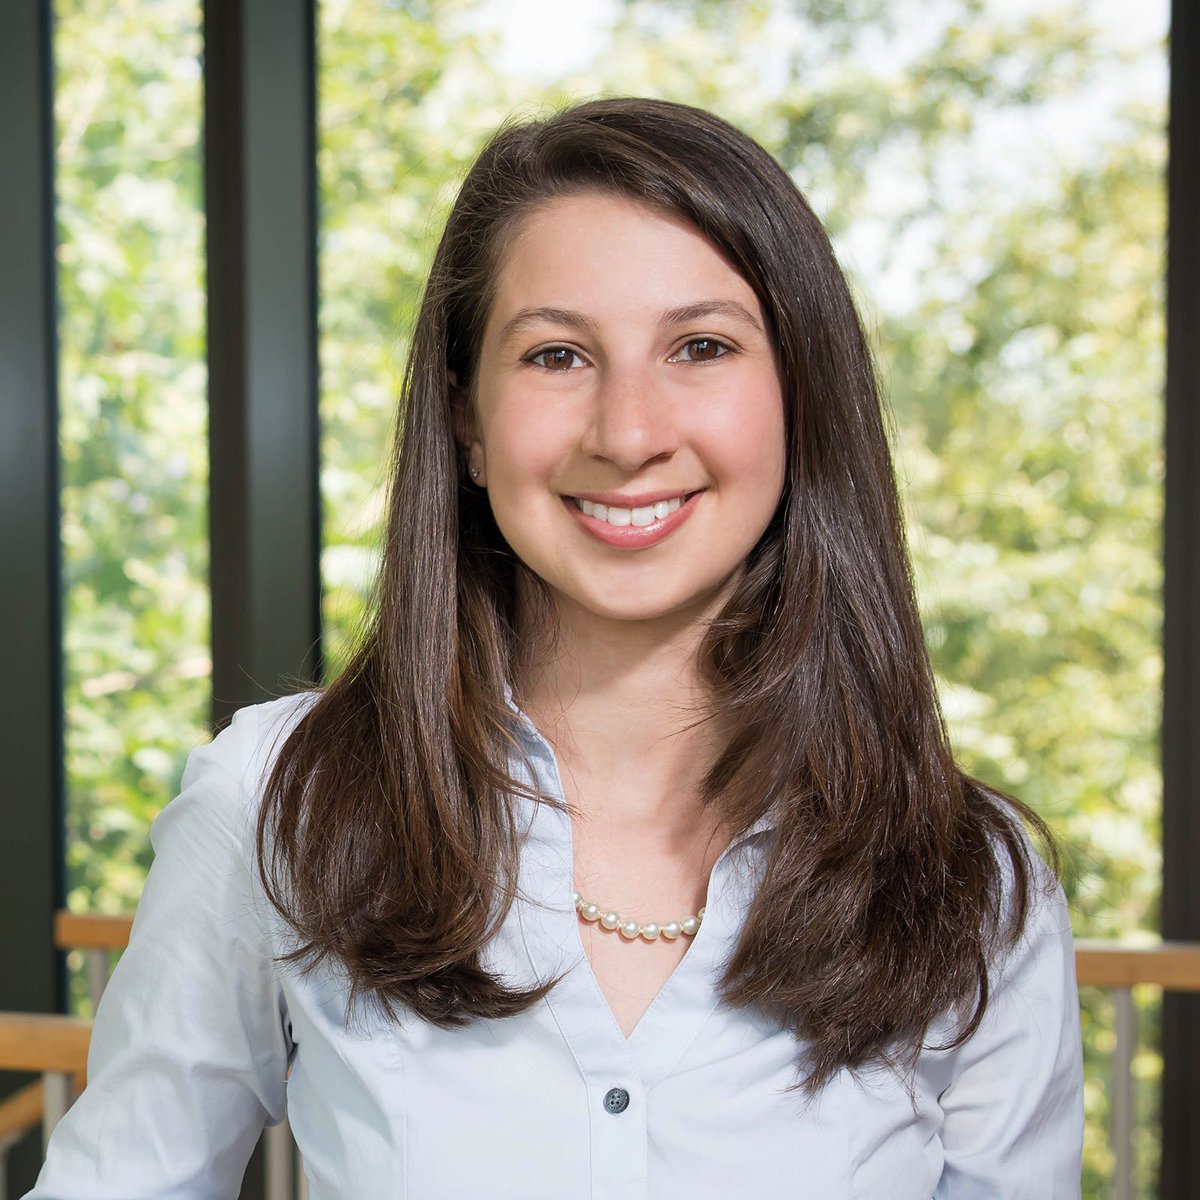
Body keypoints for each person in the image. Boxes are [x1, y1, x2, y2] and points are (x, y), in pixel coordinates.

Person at [28, 96, 1083, 1199]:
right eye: (558, 355)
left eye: (702, 347)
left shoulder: (979, 887)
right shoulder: (275, 801)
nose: (628, 434)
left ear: (800, 400)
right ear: (468, 422)